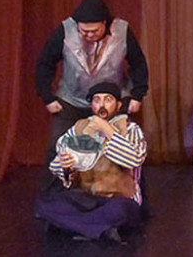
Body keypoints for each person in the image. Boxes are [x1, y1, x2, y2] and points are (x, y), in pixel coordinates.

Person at [36, 0, 149, 192]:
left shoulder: (122, 30)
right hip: (72, 99)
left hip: (112, 101)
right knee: (57, 146)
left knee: (125, 147)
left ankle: (129, 193)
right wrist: (47, 96)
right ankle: (54, 195)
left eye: (94, 31)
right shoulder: (65, 30)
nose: (89, 35)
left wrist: (138, 94)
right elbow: (45, 62)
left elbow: (138, 63)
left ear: (105, 23)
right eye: (84, 31)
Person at [35, 82, 147, 243]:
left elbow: (134, 159)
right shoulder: (80, 128)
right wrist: (66, 166)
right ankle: (100, 229)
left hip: (119, 199)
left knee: (119, 211)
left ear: (118, 105)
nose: (102, 105)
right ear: (91, 105)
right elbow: (57, 163)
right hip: (88, 199)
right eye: (97, 100)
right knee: (44, 204)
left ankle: (73, 225)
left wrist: (107, 130)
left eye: (108, 99)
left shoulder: (131, 129)